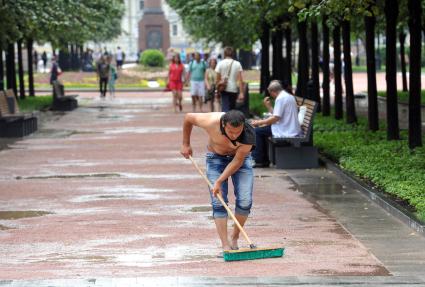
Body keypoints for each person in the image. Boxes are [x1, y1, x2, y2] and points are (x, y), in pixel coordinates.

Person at [180, 110, 255, 252]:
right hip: (215, 158)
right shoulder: (211, 121)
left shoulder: (249, 134)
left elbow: (237, 162)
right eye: (230, 132)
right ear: (223, 124)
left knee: (245, 201)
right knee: (218, 201)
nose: (234, 135)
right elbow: (188, 118)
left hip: (241, 161)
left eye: (237, 132)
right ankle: (225, 245)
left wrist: (219, 181)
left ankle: (235, 237)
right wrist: (185, 144)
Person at [250, 80, 301, 168]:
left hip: (286, 129)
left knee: (257, 131)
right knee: (261, 130)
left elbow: (275, 118)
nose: (271, 96)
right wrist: (269, 107)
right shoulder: (287, 96)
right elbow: (277, 115)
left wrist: (259, 122)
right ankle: (263, 160)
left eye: (270, 93)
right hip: (287, 126)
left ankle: (259, 160)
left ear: (273, 91)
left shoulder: (280, 98)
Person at [215, 47, 244, 112]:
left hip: (224, 88)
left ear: (224, 54)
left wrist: (217, 89)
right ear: (232, 54)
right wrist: (241, 92)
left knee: (225, 108)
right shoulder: (237, 64)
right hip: (233, 89)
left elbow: (217, 79)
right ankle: (231, 121)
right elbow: (240, 80)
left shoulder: (220, 63)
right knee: (232, 108)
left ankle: (225, 121)